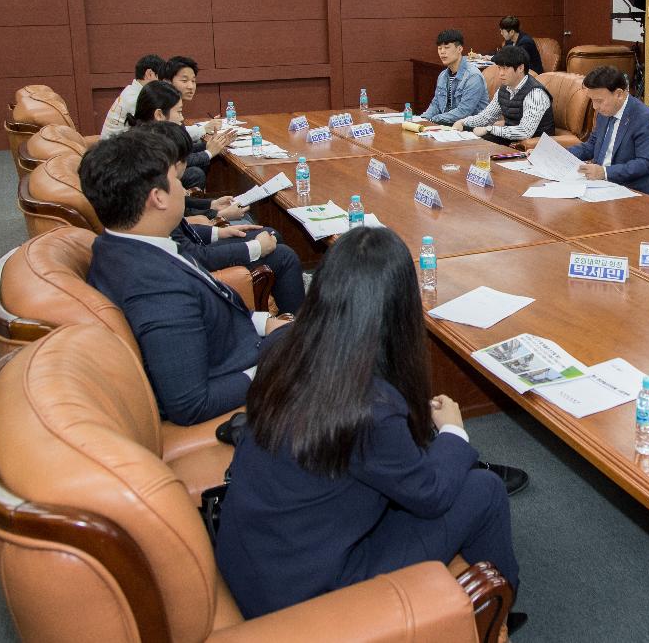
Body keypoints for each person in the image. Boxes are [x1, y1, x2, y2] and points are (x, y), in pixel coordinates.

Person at [214, 227, 521, 625]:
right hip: (306, 592)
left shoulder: (282, 348)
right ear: (400, 308)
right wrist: (453, 431)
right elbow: (430, 494)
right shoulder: (369, 407)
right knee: (485, 490)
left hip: (256, 558)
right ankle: (497, 614)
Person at [80, 129, 291, 426]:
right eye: (176, 181)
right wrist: (281, 363)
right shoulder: (156, 290)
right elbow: (191, 404)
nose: (183, 188)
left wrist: (267, 323)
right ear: (158, 198)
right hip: (247, 371)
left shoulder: (123, 244)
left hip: (238, 341)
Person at [145, 121, 306, 315]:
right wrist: (255, 248)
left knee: (271, 234)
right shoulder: (155, 199)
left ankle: (288, 291)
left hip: (197, 247)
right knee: (284, 256)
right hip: (200, 264)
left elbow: (183, 229)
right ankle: (299, 327)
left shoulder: (151, 187)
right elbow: (194, 255)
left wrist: (219, 230)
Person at [567, 65, 649, 195]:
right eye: (592, 100)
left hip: (635, 190)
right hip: (601, 186)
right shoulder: (605, 111)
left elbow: (645, 163)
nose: (595, 107)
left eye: (599, 101)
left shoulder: (644, 118)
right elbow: (591, 145)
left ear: (619, 94)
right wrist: (555, 154)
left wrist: (605, 172)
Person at [127, 80, 227, 190]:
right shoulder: (150, 142)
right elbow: (181, 159)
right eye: (179, 112)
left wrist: (210, 144)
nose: (182, 118)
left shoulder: (150, 130)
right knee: (195, 173)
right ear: (159, 115)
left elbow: (180, 151)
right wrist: (209, 153)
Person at [453, 45, 555, 146]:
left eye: (505, 68)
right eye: (499, 68)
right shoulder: (504, 89)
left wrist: (490, 129)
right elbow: (486, 117)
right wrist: (462, 122)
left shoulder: (535, 93)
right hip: (510, 141)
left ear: (520, 68)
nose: (500, 73)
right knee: (468, 144)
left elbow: (525, 131)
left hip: (532, 147)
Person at [416, 28, 489, 125]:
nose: (442, 52)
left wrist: (433, 120)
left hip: (470, 129)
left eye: (446, 47)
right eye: (439, 48)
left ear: (460, 49)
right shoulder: (443, 75)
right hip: (448, 125)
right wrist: (423, 119)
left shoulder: (473, 76)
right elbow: (436, 104)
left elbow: (464, 112)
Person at [100, 54, 163, 139]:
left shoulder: (130, 90)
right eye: (161, 78)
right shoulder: (136, 98)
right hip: (115, 148)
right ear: (150, 74)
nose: (163, 84)